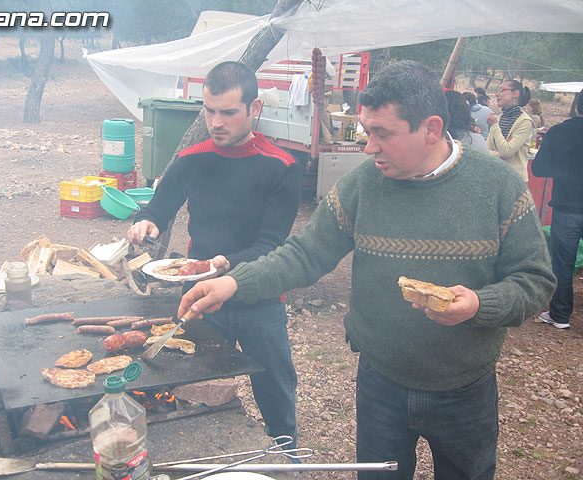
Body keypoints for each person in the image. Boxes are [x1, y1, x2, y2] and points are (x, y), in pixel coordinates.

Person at [177, 60, 556, 480]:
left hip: (465, 388)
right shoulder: (362, 186)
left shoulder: (498, 187)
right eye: (365, 131)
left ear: (431, 129)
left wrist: (479, 304)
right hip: (381, 383)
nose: (369, 147)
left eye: (383, 134)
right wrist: (235, 281)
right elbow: (305, 253)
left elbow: (535, 281)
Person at [127, 61, 302, 447]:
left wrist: (225, 264)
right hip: (201, 296)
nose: (216, 122)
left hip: (260, 298)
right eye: (209, 111)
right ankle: (193, 452)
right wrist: (147, 223)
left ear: (254, 109)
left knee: (275, 390)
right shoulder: (192, 158)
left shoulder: (282, 167)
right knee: (189, 386)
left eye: (228, 112)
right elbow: (158, 207)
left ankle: (288, 459)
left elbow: (271, 245)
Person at [531, 89, 583, 330]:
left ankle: (560, 315)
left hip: (567, 207)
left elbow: (539, 169)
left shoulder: (559, 132)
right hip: (567, 207)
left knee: (563, 263)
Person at [486, 80, 534, 182]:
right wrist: (500, 155)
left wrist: (494, 126)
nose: (497, 94)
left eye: (502, 90)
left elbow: (507, 152)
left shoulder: (525, 122)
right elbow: (486, 151)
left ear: (515, 94)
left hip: (514, 182)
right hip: (496, 178)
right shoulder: (498, 118)